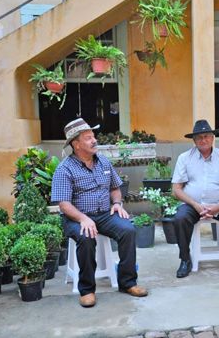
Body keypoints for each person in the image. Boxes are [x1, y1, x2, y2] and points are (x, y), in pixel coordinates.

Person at [51, 118, 148, 308]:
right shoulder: (64, 169)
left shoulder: (103, 161)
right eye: (88, 138)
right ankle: (87, 290)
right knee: (86, 238)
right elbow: (64, 204)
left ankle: (128, 282)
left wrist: (118, 203)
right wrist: (83, 218)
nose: (94, 140)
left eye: (93, 136)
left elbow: (115, 187)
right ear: (76, 144)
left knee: (127, 230)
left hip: (104, 214)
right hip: (76, 217)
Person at [171, 119, 219, 278]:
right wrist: (195, 205)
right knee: (180, 218)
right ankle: (185, 259)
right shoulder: (184, 158)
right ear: (194, 141)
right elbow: (176, 189)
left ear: (213, 138)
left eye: (206, 136)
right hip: (193, 206)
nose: (203, 140)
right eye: (199, 137)